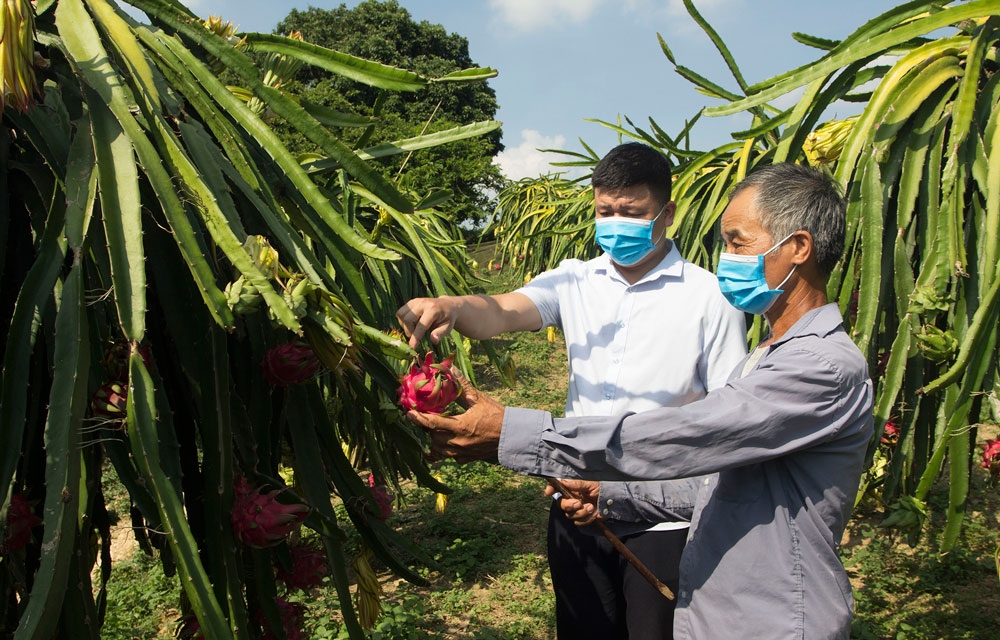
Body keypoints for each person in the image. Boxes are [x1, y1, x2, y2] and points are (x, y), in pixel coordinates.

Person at [406, 162, 874, 640]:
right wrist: (608, 493)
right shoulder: (768, 355)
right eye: (603, 211)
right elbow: (724, 479)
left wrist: (516, 434)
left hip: (754, 605)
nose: (728, 257)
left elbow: (693, 436)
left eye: (738, 243)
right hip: (623, 518)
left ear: (797, 247)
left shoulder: (817, 366)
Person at [396, 142, 747, 639]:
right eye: (606, 211)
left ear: (666, 213)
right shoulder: (575, 281)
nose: (616, 222)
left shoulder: (711, 297)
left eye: (632, 212)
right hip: (574, 503)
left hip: (662, 520)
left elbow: (725, 422)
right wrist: (453, 305)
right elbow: (501, 310)